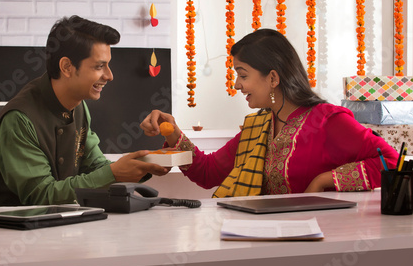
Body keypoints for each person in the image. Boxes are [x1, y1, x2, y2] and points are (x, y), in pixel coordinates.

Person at [140, 28, 398, 197]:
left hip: (318, 241)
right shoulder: (259, 127)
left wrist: (323, 180)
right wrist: (173, 133)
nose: (237, 85)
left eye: (243, 75)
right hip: (263, 239)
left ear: (272, 77)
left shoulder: (327, 120)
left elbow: (391, 162)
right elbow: (208, 173)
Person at [0, 16, 170, 207]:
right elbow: (41, 195)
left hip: (51, 226)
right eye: (99, 66)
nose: (109, 76)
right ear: (67, 67)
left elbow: (95, 166)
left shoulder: (78, 107)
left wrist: (143, 164)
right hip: (4, 231)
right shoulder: (18, 120)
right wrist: (114, 174)